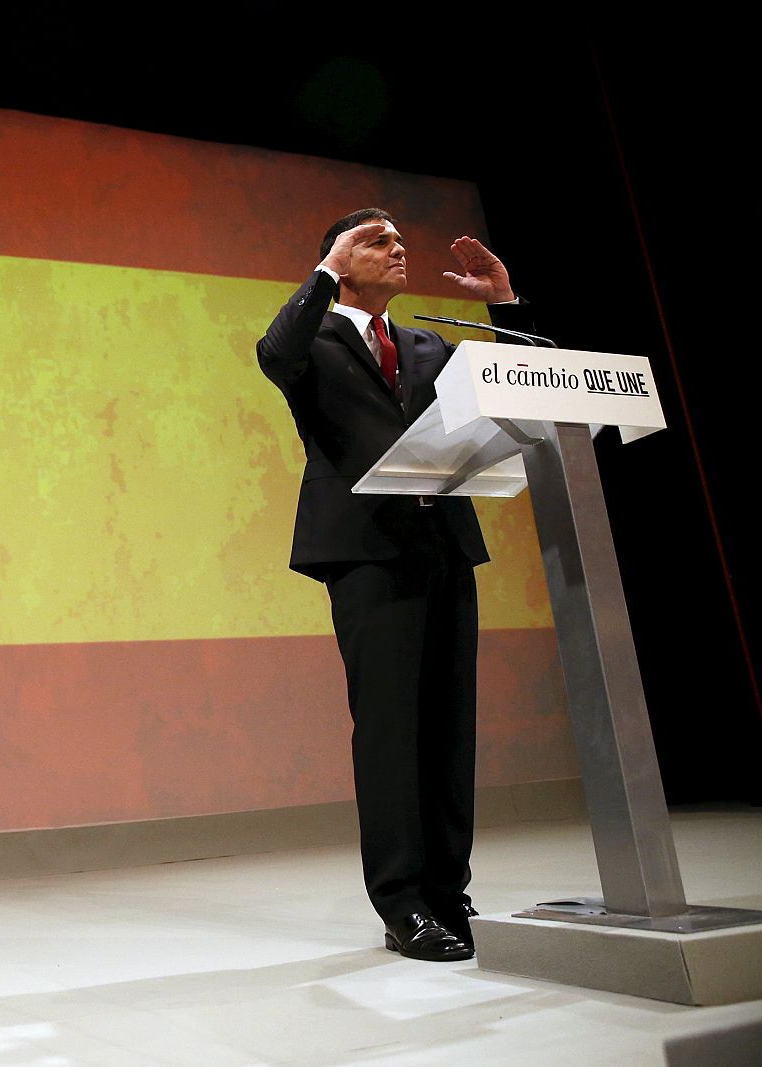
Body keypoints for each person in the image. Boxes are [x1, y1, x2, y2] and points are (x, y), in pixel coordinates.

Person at [256, 208, 532, 962]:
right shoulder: (308, 339)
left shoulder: (424, 344)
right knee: (388, 729)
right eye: (378, 241)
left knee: (449, 724)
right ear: (340, 259)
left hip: (441, 543)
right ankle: (402, 901)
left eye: (399, 240)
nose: (399, 248)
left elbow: (520, 388)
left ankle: (450, 890)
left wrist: (501, 307)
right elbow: (272, 354)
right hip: (366, 553)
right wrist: (324, 272)